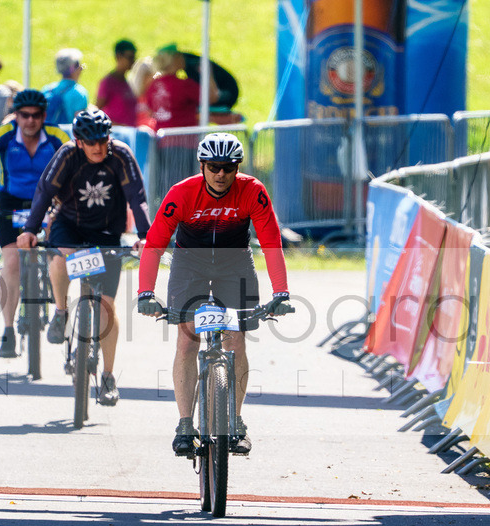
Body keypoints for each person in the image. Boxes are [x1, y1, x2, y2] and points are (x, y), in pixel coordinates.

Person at [136, 133, 293, 455]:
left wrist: (281, 292)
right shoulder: (181, 194)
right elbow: (154, 245)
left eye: (228, 167)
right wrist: (145, 292)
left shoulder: (253, 191)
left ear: (237, 168)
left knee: (236, 338)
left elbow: (271, 243)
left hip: (234, 263)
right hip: (189, 264)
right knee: (187, 337)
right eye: (214, 167)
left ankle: (235, 421)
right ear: (202, 166)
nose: (221, 174)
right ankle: (184, 424)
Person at [17, 109, 151, 406]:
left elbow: (137, 197)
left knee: (107, 306)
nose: (98, 148)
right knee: (61, 256)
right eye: (90, 142)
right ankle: (62, 312)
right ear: (78, 141)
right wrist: (29, 230)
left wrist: (146, 235)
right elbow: (43, 192)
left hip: (106, 231)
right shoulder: (67, 155)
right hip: (70, 224)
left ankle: (108, 376)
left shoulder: (121, 155)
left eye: (102, 140)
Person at [0, 89, 69, 358]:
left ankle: (60, 311)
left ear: (44, 116)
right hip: (11, 203)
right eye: (24, 116)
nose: (30, 121)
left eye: (36, 116)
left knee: (55, 257)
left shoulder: (58, 136)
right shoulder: (5, 134)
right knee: (11, 263)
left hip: (47, 202)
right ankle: (8, 329)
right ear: (16, 116)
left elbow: (77, 167)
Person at [144, 44, 218, 132]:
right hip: (183, 139)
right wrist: (208, 74)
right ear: (175, 60)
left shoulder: (153, 86)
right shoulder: (184, 85)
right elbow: (211, 98)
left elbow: (150, 110)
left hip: (161, 140)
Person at [95, 40, 138, 127]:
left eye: (134, 57)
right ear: (118, 57)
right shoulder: (108, 82)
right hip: (115, 134)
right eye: (129, 57)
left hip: (129, 134)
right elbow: (97, 111)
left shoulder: (127, 82)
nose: (133, 61)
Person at [42, 48, 89, 126]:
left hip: (49, 134)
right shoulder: (79, 93)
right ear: (74, 68)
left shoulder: (47, 89)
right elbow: (81, 123)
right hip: (67, 135)